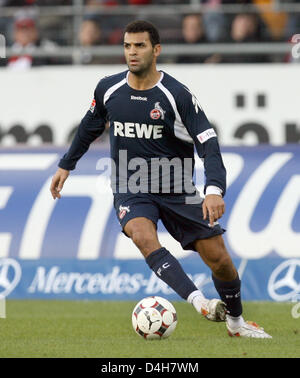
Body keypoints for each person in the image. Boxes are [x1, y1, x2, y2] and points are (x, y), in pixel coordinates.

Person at [50, 20, 272, 338]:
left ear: (156, 50)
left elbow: (208, 142)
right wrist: (65, 166)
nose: (132, 52)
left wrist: (213, 190)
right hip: (132, 186)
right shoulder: (108, 88)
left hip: (177, 187)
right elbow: (88, 128)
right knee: (142, 235)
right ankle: (199, 303)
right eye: (127, 46)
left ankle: (237, 323)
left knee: (220, 260)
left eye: (139, 45)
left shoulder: (176, 94)